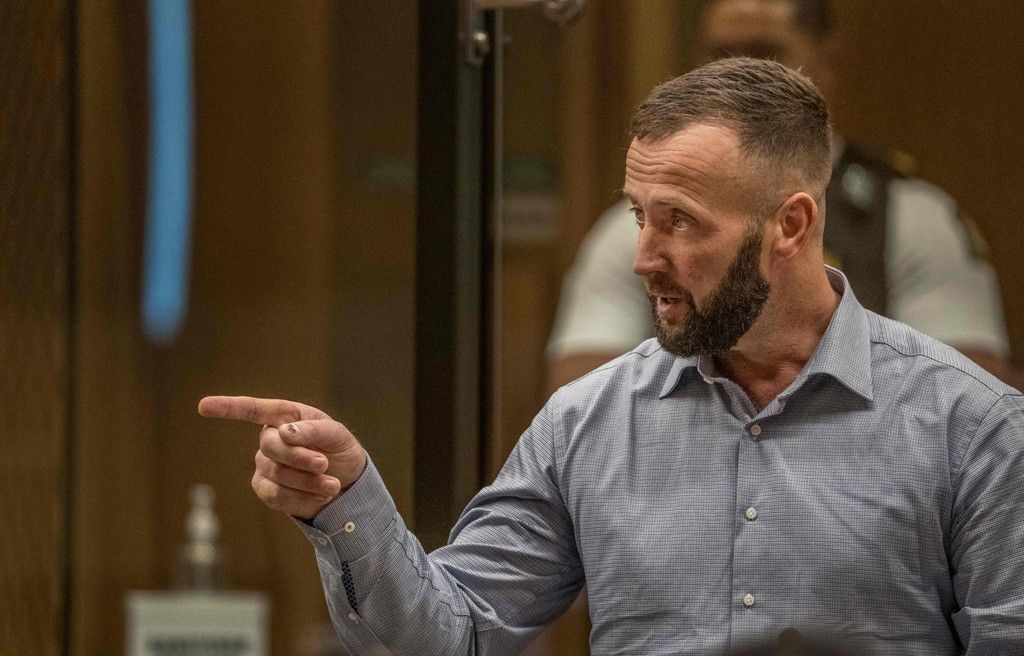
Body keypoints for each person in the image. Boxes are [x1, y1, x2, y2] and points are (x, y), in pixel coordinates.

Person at [200, 58, 1024, 655]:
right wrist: (346, 499)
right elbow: (452, 636)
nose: (643, 258)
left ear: (792, 225)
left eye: (681, 221)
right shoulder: (587, 424)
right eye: (640, 215)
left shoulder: (972, 429)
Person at [546, 0, 1012, 392]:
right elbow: (587, 396)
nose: (742, 72)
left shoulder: (909, 217)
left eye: (766, 52)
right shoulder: (635, 226)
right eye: (722, 54)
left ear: (827, 57)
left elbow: (967, 400)